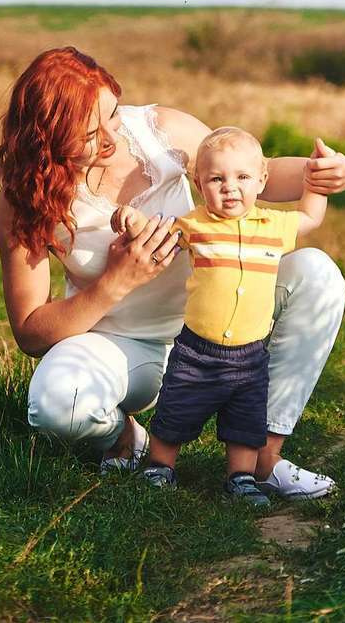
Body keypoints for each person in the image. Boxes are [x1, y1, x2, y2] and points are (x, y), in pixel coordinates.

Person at [0, 46, 345, 501]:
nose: (111, 135)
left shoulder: (158, 130)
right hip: (128, 349)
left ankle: (265, 455)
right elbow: (30, 332)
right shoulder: (25, 197)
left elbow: (245, 171)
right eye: (90, 132)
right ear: (46, 137)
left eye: (112, 114)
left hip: (220, 327)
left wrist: (321, 172)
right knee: (56, 405)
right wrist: (116, 281)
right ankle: (125, 438)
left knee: (316, 272)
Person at [112, 126, 326, 505]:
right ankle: (160, 466)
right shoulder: (194, 225)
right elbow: (157, 235)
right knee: (177, 410)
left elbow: (310, 216)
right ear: (200, 184)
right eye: (217, 179)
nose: (230, 187)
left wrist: (317, 180)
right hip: (197, 349)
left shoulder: (273, 226)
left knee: (245, 421)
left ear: (262, 180)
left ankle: (240, 478)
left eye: (242, 177)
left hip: (250, 353)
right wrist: (132, 221)